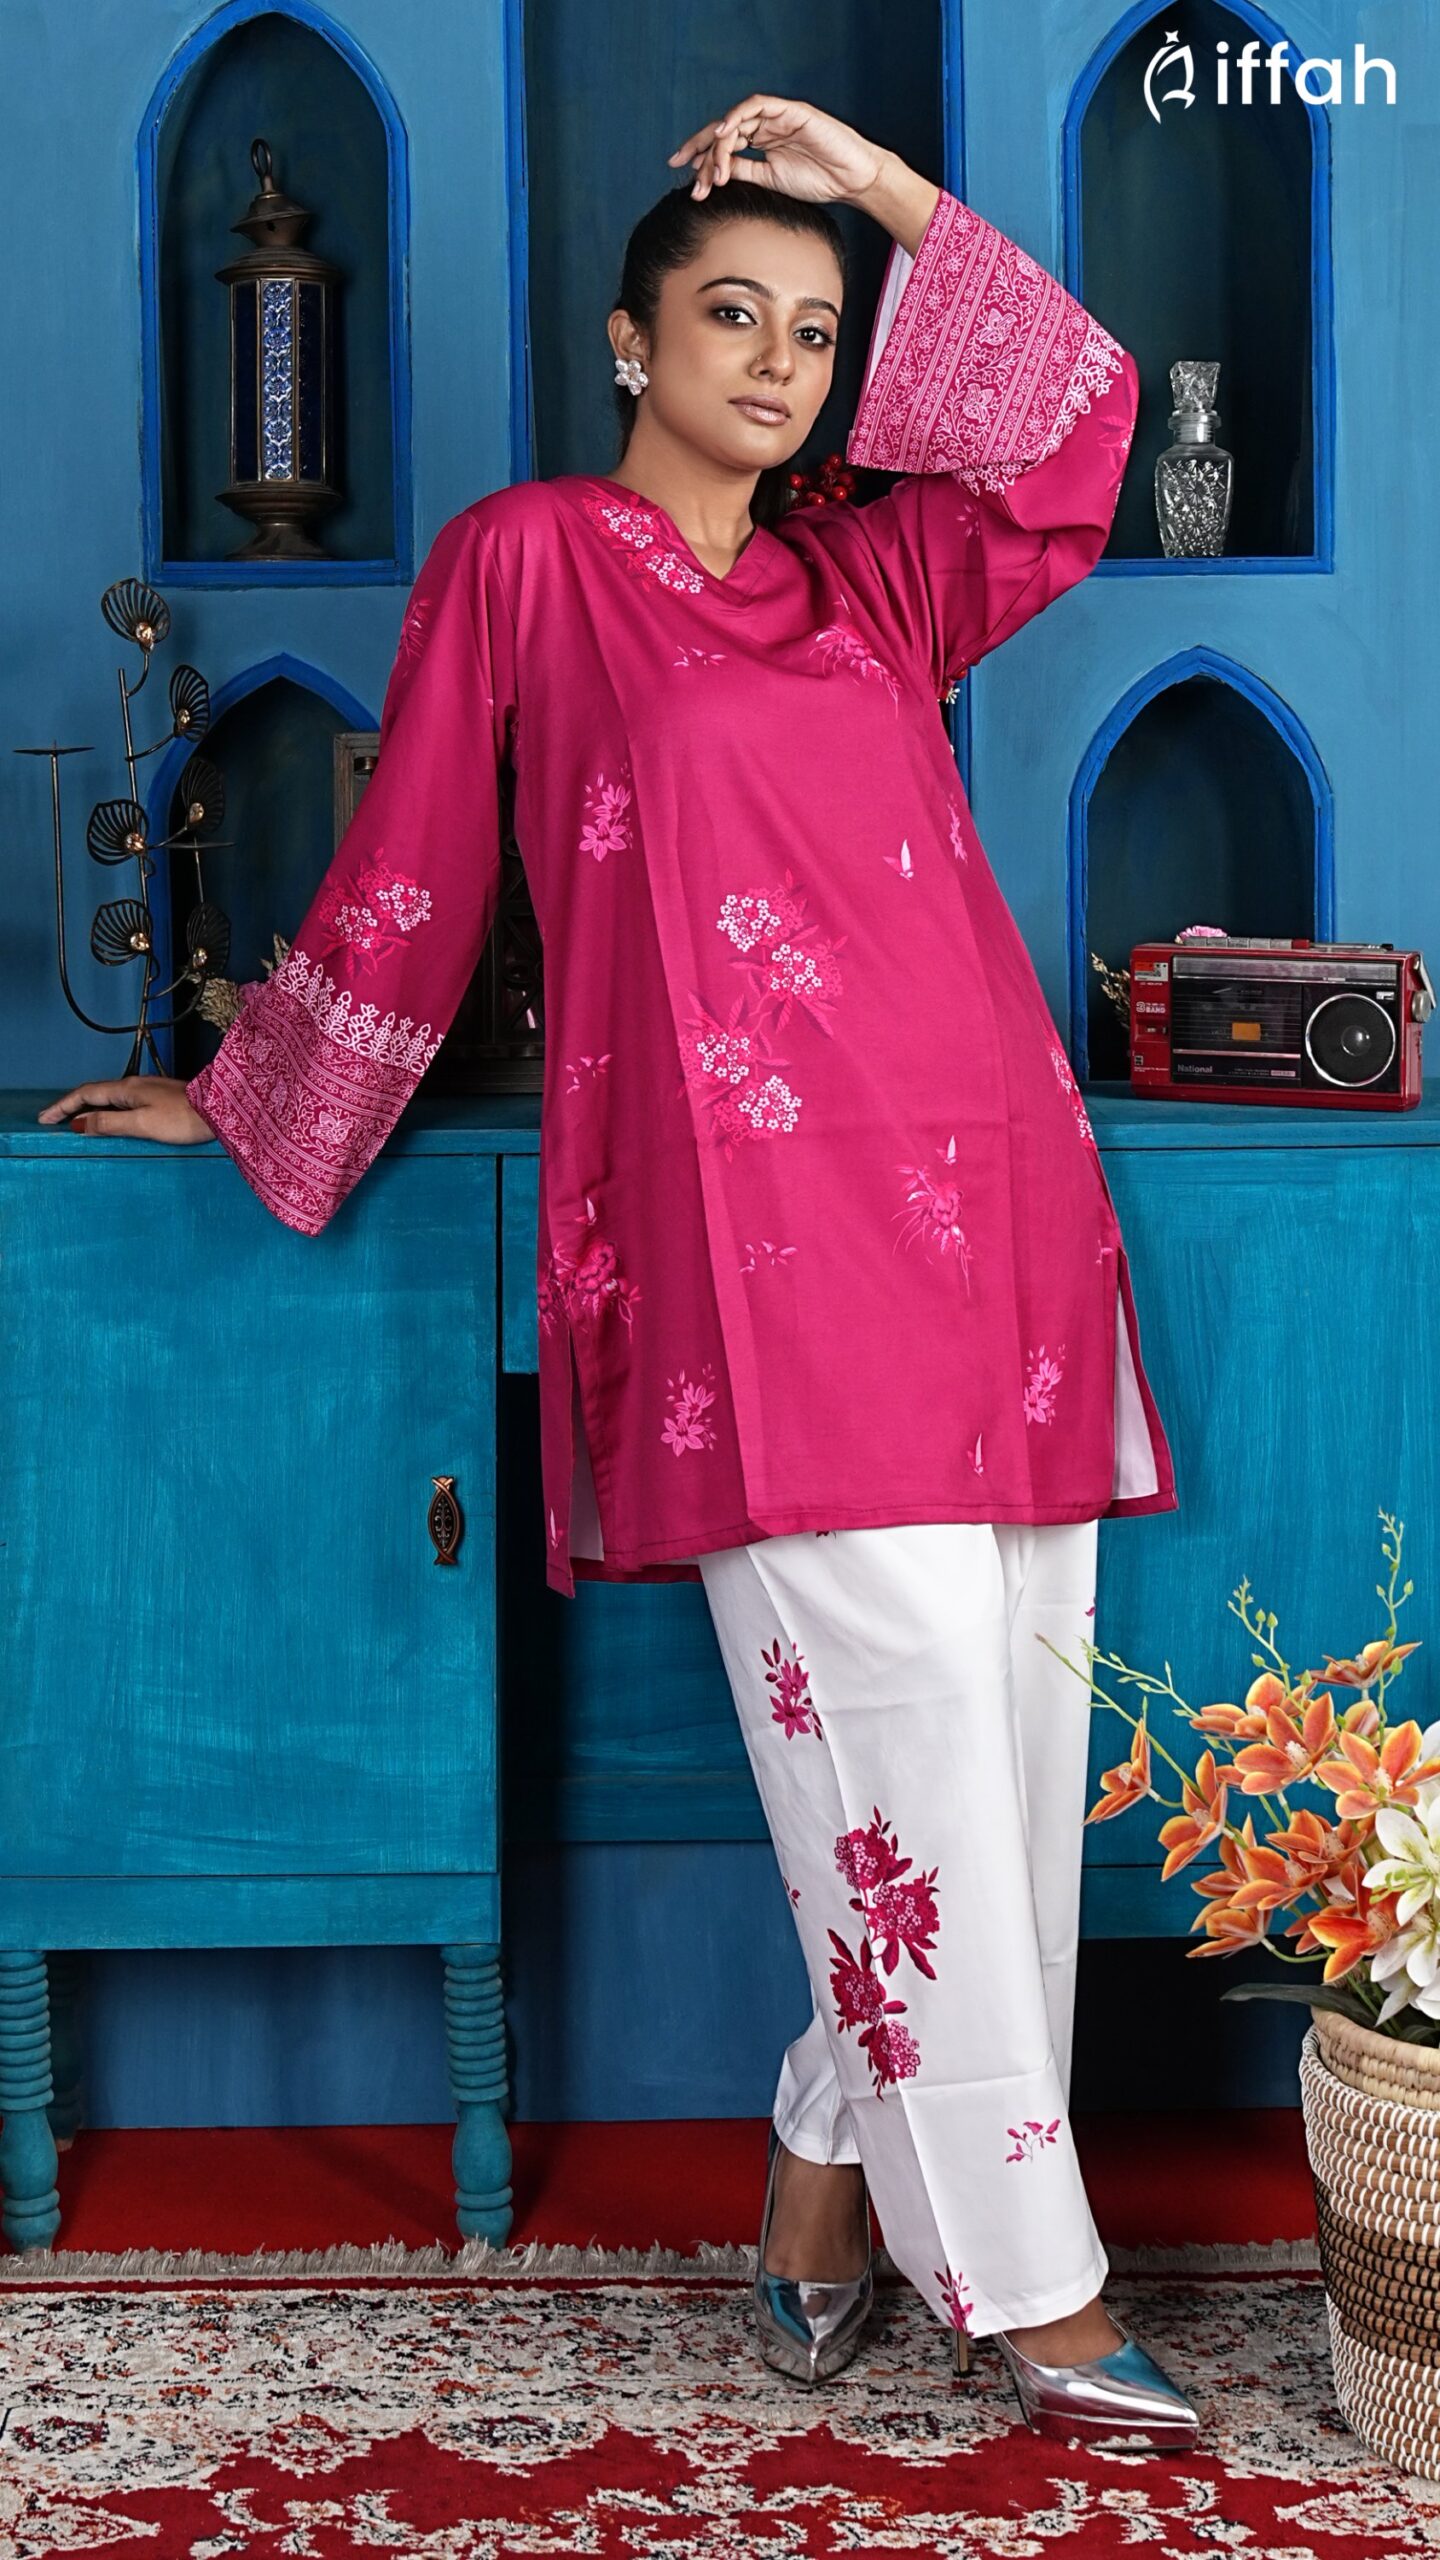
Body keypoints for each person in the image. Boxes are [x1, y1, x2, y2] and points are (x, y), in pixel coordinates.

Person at [41, 97, 1195, 2449]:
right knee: (895, 1724)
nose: (778, 361)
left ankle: (822, 2153)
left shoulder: (875, 576)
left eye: (819, 332)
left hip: (986, 1200)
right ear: (628, 339)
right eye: (731, 314)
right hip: (749, 1238)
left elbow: (1081, 432)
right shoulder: (531, 563)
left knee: (999, 1732)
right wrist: (251, 1091)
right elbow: (415, 865)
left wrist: (882, 189)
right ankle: (1038, 2282)